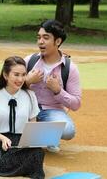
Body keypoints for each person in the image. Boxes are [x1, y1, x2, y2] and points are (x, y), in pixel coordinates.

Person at [25, 19, 81, 151]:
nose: (40, 42)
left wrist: (58, 90)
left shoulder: (70, 68)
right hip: (26, 109)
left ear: (58, 41)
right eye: (38, 37)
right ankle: (44, 137)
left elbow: (76, 104)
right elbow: (8, 87)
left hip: (51, 111)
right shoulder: (29, 61)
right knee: (2, 120)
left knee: (68, 130)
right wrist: (27, 81)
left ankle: (34, 138)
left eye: (46, 38)